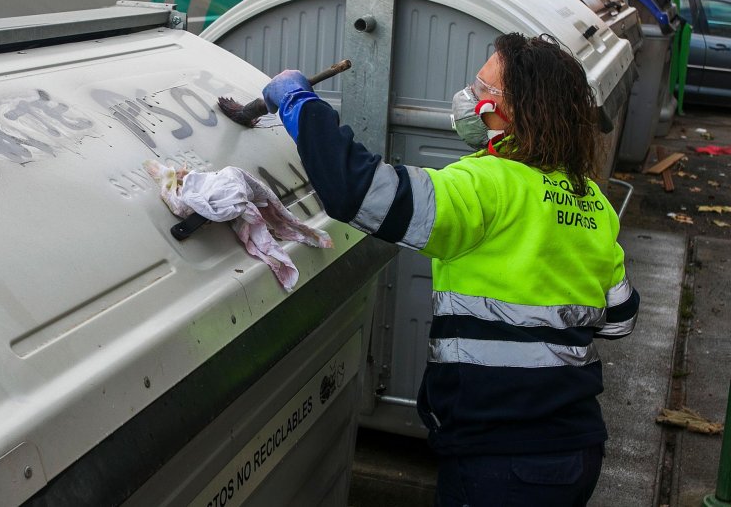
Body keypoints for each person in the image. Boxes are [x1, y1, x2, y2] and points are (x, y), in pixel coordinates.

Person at [261, 32, 639, 506]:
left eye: (482, 89)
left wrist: (299, 103)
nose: (467, 98)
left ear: (515, 110)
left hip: (501, 461)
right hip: (578, 449)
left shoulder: (484, 187)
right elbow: (620, 318)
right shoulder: (593, 202)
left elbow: (358, 191)